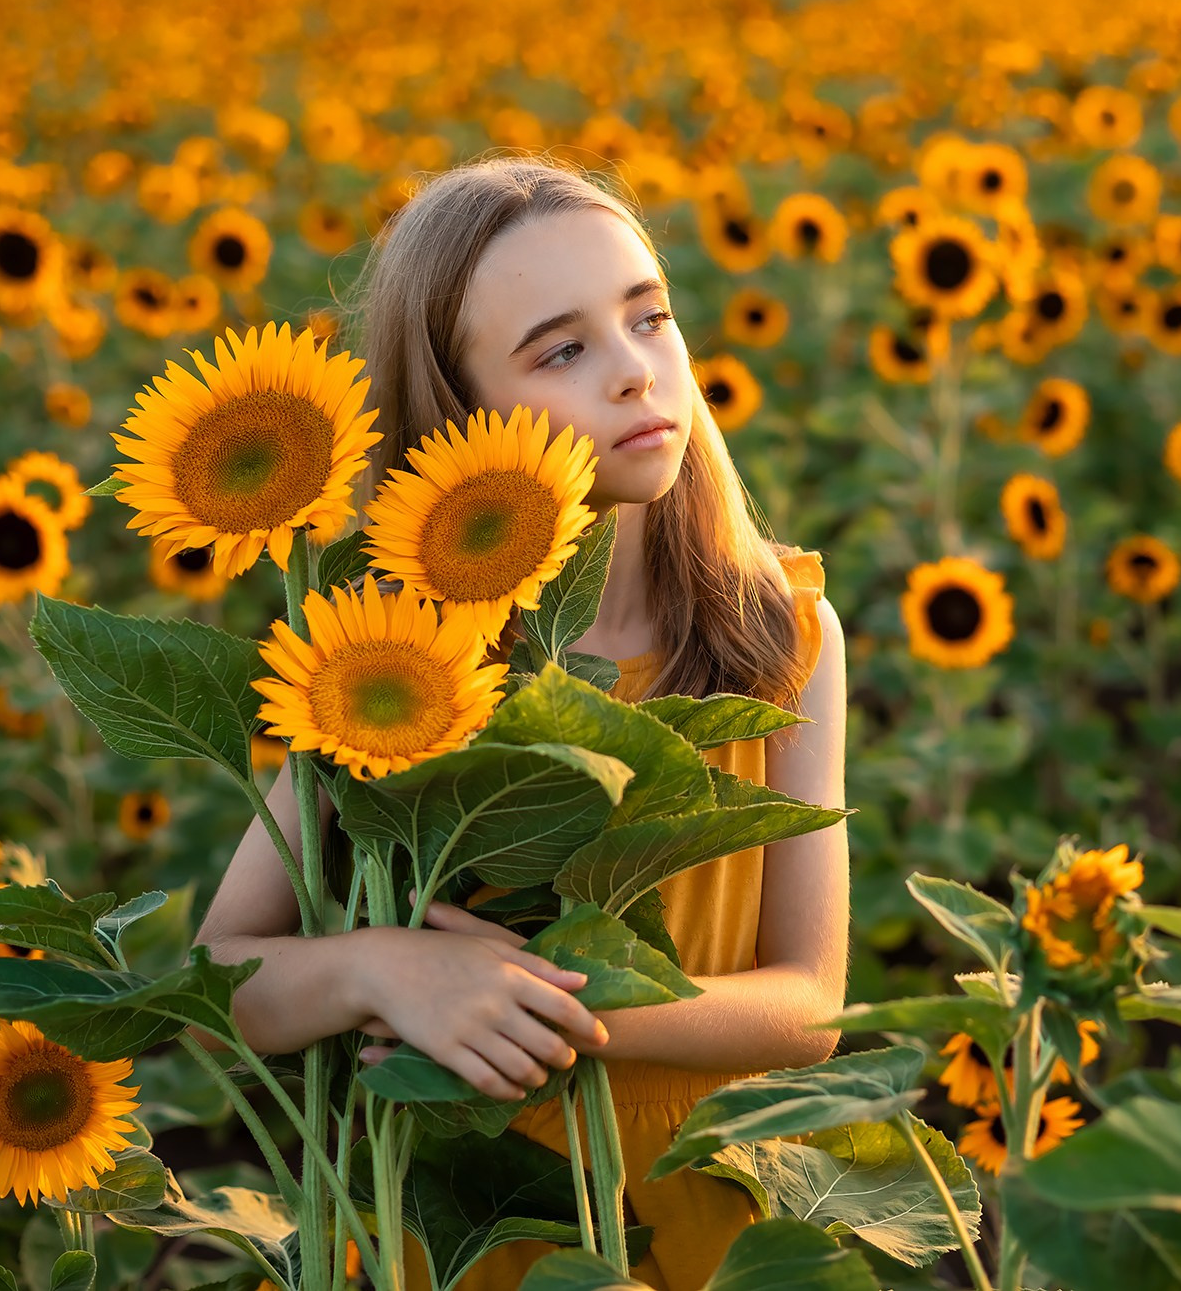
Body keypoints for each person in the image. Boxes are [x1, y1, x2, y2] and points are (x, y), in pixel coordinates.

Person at [190, 153, 850, 1291]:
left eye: (650, 318)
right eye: (562, 350)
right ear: (461, 413)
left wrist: (548, 1001)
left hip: (712, 1195)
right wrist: (381, 970)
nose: (637, 374)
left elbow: (809, 1006)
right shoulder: (396, 663)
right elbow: (217, 982)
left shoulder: (779, 631)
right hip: (468, 1211)